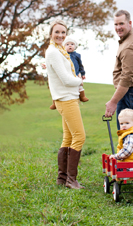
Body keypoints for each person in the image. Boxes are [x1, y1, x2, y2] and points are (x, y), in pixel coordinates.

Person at [45, 22, 85, 189]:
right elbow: (66, 79)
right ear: (51, 34)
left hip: (68, 97)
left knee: (68, 138)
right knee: (80, 137)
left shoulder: (60, 50)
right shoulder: (53, 52)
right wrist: (80, 81)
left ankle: (62, 178)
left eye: (63, 32)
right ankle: (71, 180)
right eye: (57, 32)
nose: (60, 35)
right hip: (66, 99)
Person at [104, 10, 133, 130]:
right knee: (132, 133)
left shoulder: (130, 46)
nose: (118, 27)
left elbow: (126, 78)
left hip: (132, 93)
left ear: (129, 23)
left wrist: (113, 101)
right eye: (116, 24)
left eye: (121, 24)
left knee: (128, 133)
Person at [48, 35, 88, 110]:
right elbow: (56, 63)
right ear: (64, 46)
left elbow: (80, 65)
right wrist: (46, 65)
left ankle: (82, 96)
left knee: (80, 86)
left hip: (76, 74)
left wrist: (83, 74)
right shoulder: (62, 55)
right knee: (57, 88)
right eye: (67, 44)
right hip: (66, 74)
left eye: (72, 44)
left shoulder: (77, 55)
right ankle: (54, 103)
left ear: (75, 46)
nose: (70, 46)